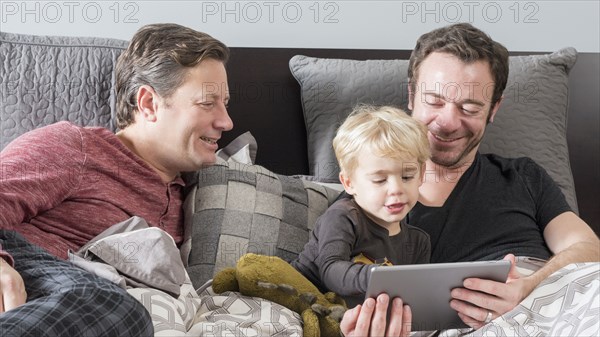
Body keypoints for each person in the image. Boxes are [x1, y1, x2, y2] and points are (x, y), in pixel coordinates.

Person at [340, 23, 599, 336]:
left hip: (557, 308)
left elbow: (588, 248)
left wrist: (530, 286)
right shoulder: (365, 199)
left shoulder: (523, 176)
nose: (448, 122)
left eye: (469, 107)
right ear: (411, 95)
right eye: (434, 101)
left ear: (493, 109)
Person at [0, 23, 233, 336]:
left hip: (80, 314)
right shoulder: (77, 147)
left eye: (226, 104)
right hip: (28, 269)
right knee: (118, 308)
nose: (226, 121)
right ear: (149, 103)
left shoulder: (196, 197)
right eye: (207, 103)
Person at [292, 105, 431, 302]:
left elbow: (412, 295)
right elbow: (330, 270)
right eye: (380, 180)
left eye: (407, 177)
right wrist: (380, 277)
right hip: (304, 295)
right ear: (349, 183)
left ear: (421, 175)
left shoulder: (418, 243)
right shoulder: (343, 217)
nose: (396, 189)